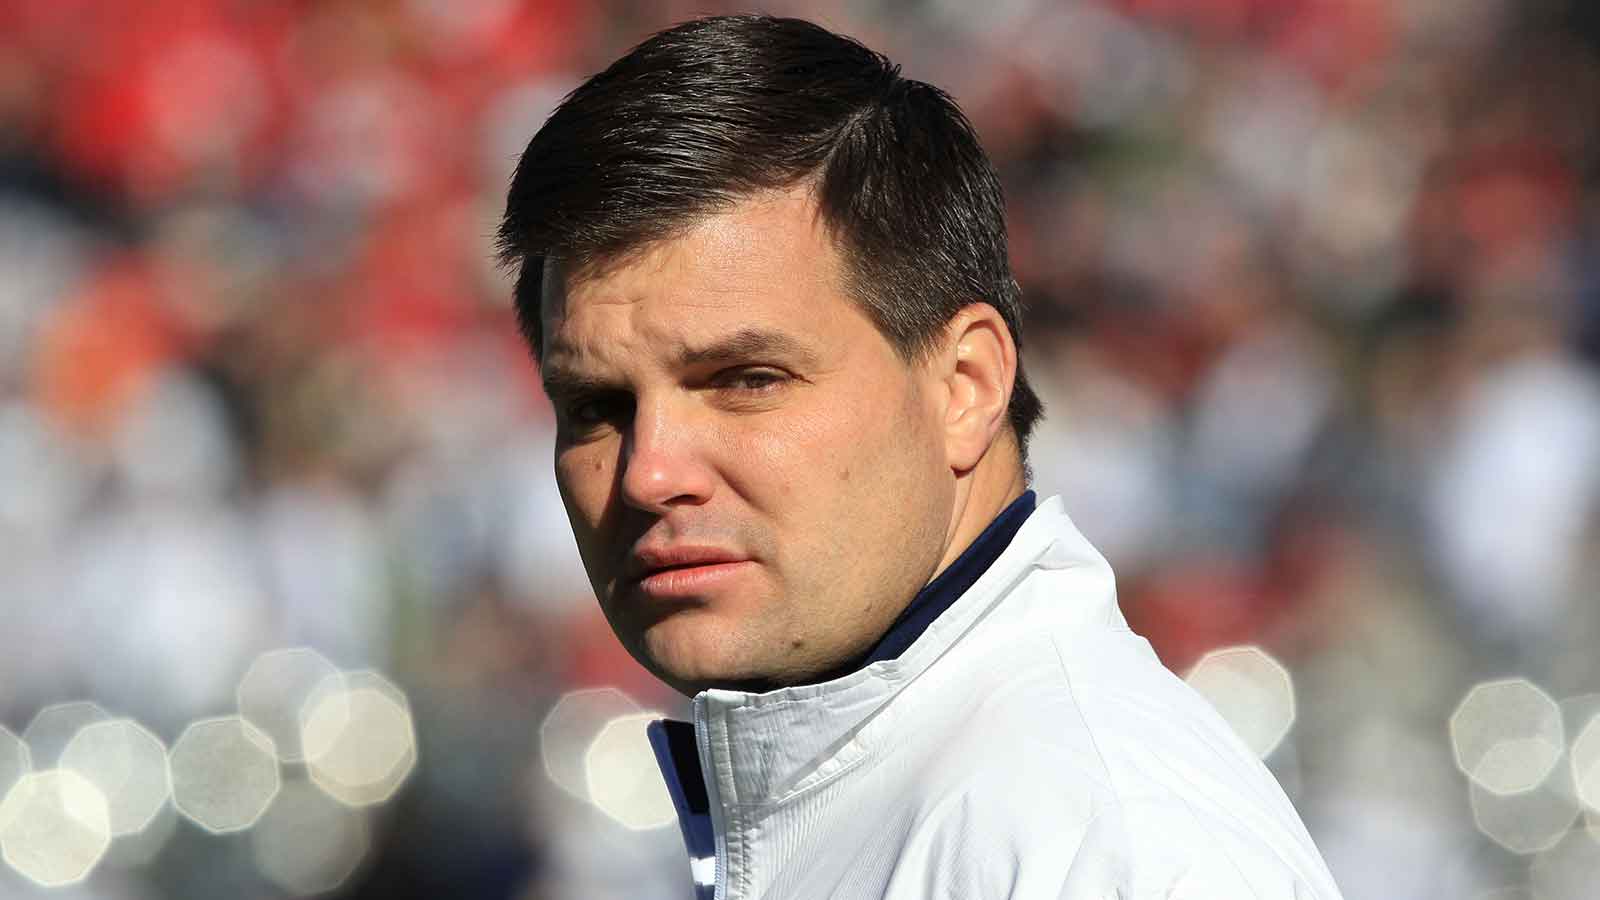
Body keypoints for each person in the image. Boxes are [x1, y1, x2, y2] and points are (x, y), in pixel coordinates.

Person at [497, 14, 1344, 900]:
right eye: (595, 407)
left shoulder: (1108, 844)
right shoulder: (926, 794)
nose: (648, 473)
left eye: (747, 381)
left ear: (966, 385)